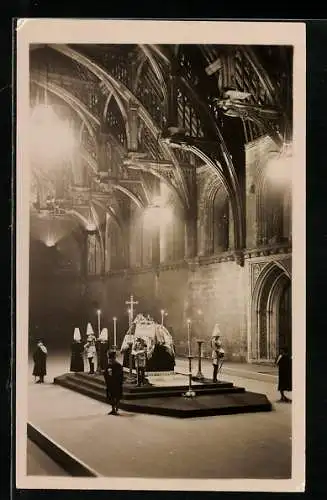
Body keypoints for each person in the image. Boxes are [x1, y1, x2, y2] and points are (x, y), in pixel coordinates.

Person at [103, 350, 124, 415]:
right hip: (110, 383)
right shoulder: (108, 365)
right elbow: (105, 373)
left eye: (111, 359)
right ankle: (113, 409)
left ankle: (116, 406)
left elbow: (120, 375)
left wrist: (112, 375)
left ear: (114, 359)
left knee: (116, 396)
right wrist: (107, 375)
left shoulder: (118, 365)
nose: (110, 360)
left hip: (116, 383)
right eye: (109, 359)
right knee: (110, 396)